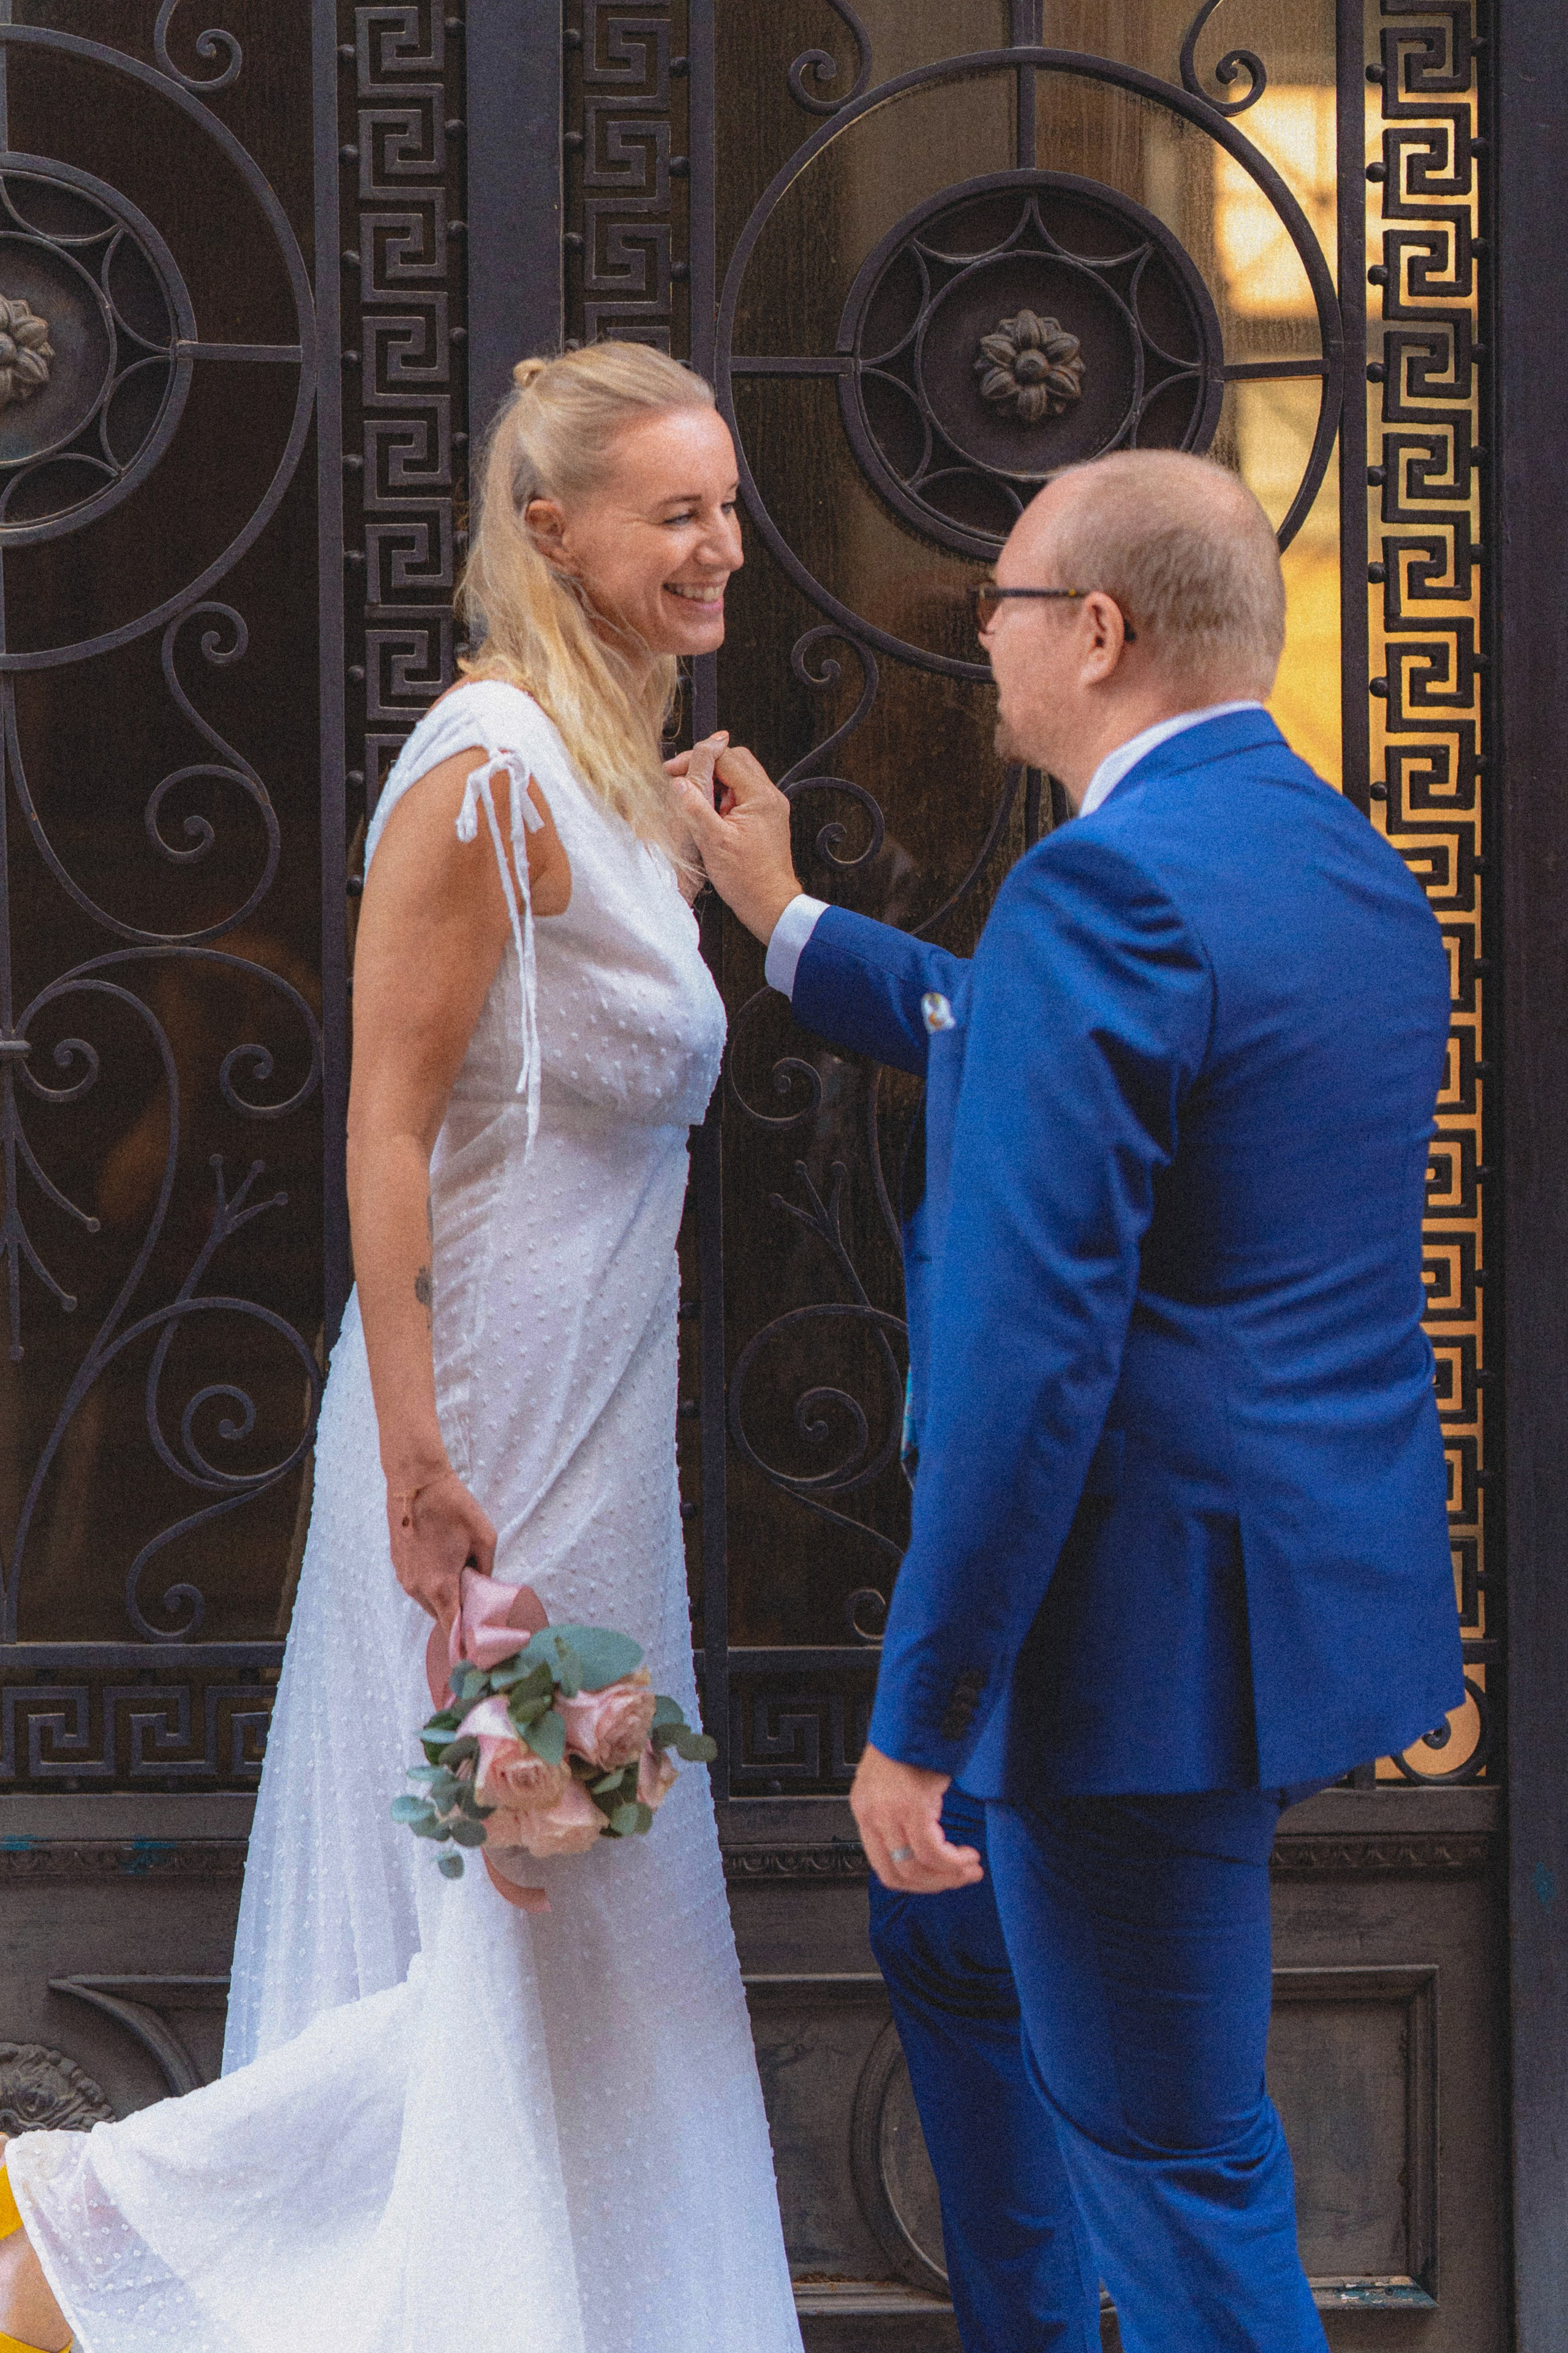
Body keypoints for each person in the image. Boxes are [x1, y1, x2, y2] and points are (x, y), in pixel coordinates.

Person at [0, 344, 804, 2353]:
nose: (724, 545)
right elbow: (389, 1114)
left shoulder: (619, 781)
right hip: (495, 1424)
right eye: (677, 510)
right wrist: (425, 1457)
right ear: (554, 531)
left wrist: (737, 880)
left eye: (729, 503)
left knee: (575, 1900)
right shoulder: (485, 767)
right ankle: (81, 2236)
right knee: (504, 1894)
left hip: (607, 1422)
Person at [674, 448, 1462, 2353]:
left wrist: (920, 1720)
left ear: (1095, 633)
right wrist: (789, 924)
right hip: (1295, 1596)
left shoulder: (1098, 887)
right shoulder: (1337, 860)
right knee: (949, 1936)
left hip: (1135, 1650)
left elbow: (1033, 1375)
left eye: (1002, 606)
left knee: (1181, 2161)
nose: (985, 641)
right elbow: (1030, 1032)